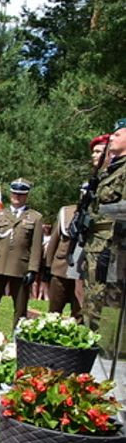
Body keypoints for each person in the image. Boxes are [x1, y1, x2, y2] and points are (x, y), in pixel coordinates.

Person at [0, 179, 44, 330]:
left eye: (21, 194)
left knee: (20, 307)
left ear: (26, 196)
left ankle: (17, 338)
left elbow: (36, 247)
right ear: (10, 194)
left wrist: (33, 269)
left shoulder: (35, 217)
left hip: (20, 266)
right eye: (15, 193)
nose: (17, 197)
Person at [84, 124, 126, 334]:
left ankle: (100, 347)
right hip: (98, 243)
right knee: (92, 297)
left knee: (106, 300)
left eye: (117, 135)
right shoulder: (113, 169)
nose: (112, 139)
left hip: (112, 245)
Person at [45, 201, 82, 318]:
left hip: (83, 271)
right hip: (61, 267)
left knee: (79, 312)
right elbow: (54, 240)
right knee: (54, 311)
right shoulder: (67, 212)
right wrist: (48, 265)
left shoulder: (100, 215)